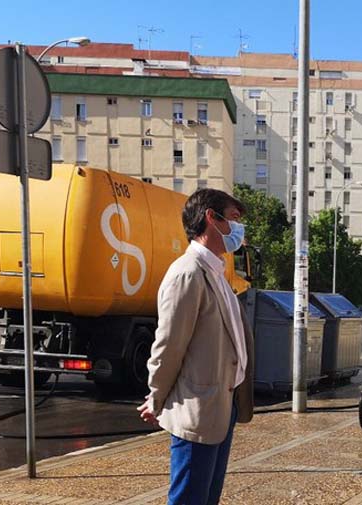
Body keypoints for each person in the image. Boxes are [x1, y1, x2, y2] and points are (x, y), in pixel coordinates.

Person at [137, 188, 255, 505]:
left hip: (221, 404)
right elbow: (169, 345)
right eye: (232, 219)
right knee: (189, 499)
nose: (238, 229)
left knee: (207, 498)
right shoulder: (187, 273)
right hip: (197, 408)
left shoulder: (216, 272)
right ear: (210, 219)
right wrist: (156, 395)